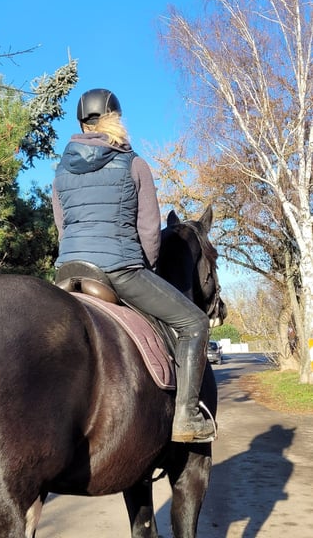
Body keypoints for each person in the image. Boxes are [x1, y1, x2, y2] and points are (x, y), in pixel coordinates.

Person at [52, 88, 216, 443]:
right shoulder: (133, 163)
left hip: (68, 271)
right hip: (118, 270)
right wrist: (149, 269)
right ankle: (186, 417)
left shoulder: (62, 170)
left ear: (82, 124)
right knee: (195, 323)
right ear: (114, 118)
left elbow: (62, 227)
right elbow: (149, 231)